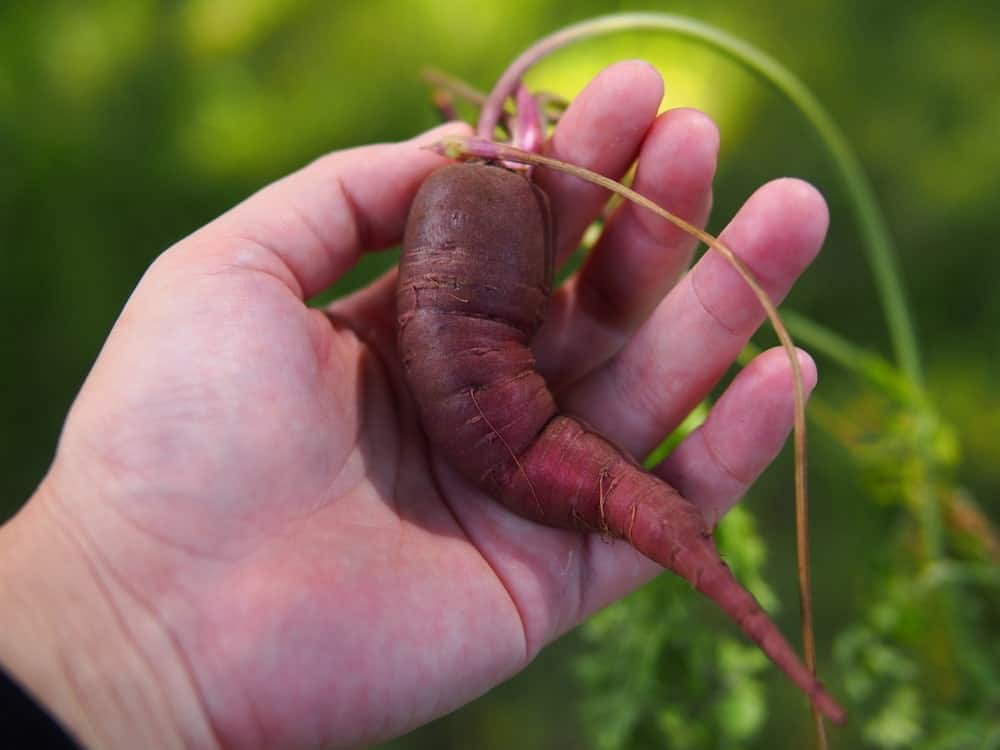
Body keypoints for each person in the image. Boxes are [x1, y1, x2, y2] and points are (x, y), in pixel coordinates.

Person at [0, 61, 827, 749]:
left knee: (623, 491)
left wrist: (114, 610)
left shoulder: (478, 195)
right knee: (621, 491)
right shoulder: (478, 195)